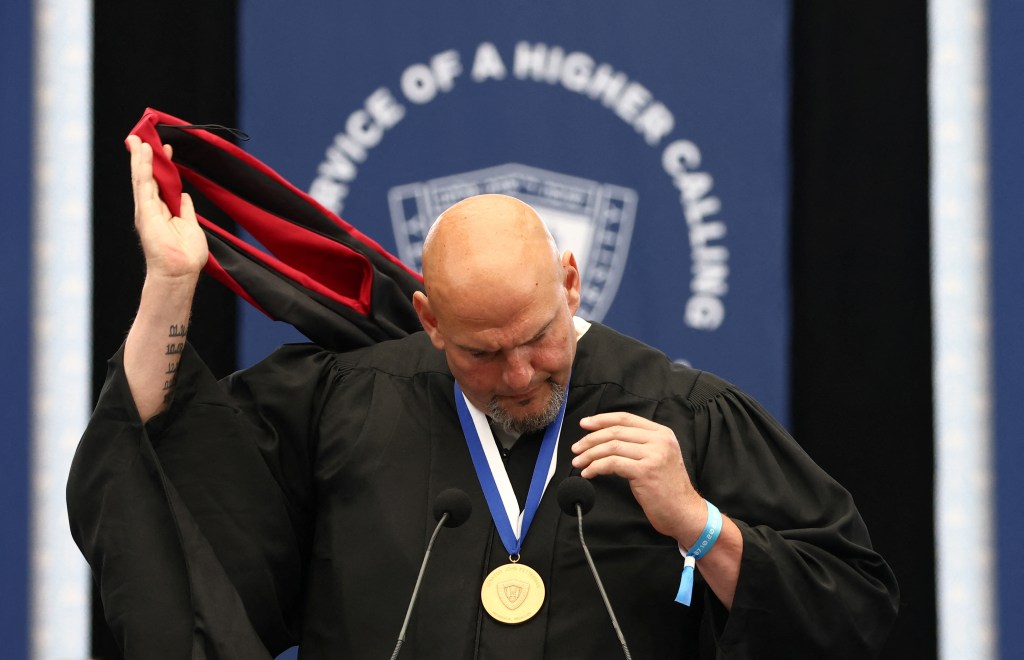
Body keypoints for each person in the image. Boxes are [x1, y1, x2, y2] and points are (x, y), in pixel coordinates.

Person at [68, 134, 899, 659]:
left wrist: (701, 524)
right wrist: (172, 286)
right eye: (481, 352)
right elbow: (157, 473)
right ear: (428, 320)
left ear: (571, 283)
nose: (517, 375)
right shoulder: (341, 404)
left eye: (537, 336)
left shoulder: (681, 414)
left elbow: (853, 612)